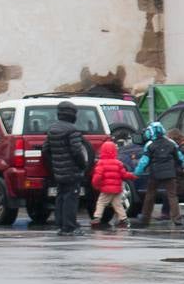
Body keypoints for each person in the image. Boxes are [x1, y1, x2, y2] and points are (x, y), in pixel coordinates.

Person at [43, 100, 90, 236]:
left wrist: (54, 164)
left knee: (61, 197)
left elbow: (46, 150)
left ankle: (61, 225)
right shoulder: (72, 130)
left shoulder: (52, 129)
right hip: (72, 171)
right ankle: (70, 226)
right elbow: (77, 151)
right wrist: (82, 165)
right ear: (72, 115)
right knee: (71, 198)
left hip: (58, 170)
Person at [130, 121, 183, 228]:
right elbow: (180, 157)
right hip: (170, 174)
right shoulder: (171, 143)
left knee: (150, 195)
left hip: (155, 174)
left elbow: (144, 161)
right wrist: (182, 166)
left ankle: (145, 218)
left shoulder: (150, 145)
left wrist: (137, 173)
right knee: (172, 196)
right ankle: (177, 219)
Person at [89, 140, 134, 230]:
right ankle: (123, 219)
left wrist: (96, 185)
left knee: (101, 203)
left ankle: (97, 218)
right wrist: (133, 175)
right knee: (117, 204)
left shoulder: (101, 163)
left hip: (106, 189)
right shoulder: (118, 163)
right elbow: (124, 175)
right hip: (117, 189)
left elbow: (97, 177)